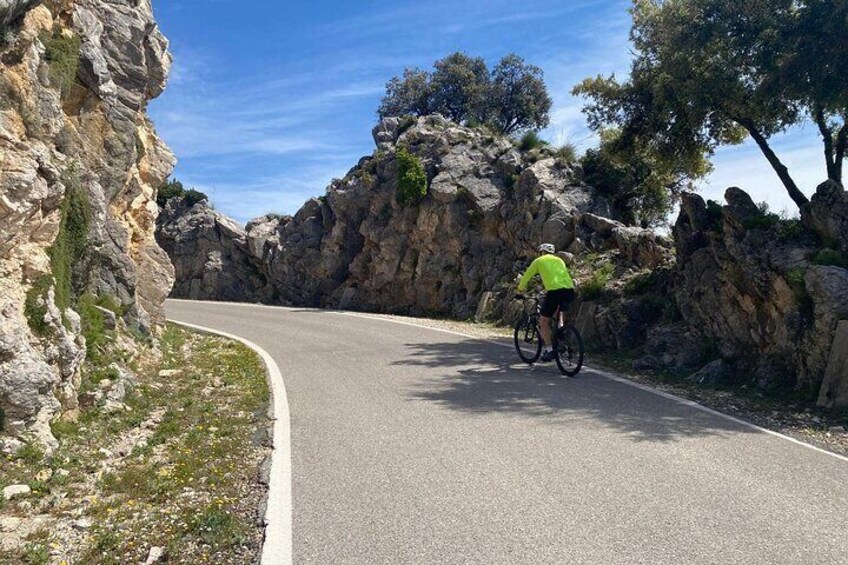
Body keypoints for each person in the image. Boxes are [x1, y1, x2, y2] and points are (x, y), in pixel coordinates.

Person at [515, 243, 576, 362]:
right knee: (559, 310)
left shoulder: (538, 261)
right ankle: (561, 329)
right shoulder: (559, 260)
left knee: (543, 321)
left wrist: (520, 290)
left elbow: (526, 277)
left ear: (541, 252)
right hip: (569, 290)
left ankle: (549, 350)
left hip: (554, 292)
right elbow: (557, 276)